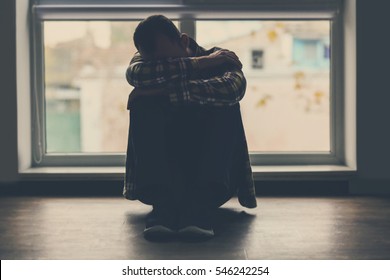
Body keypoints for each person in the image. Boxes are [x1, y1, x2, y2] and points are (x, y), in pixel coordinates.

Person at [123, 15, 257, 240]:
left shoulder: (222, 58)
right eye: (161, 66)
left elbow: (234, 89)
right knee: (144, 104)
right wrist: (199, 64)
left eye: (169, 60)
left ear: (184, 41)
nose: (167, 67)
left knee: (223, 103)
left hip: (213, 181)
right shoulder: (146, 60)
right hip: (163, 181)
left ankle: (199, 206)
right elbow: (135, 74)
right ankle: (163, 205)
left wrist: (160, 90)